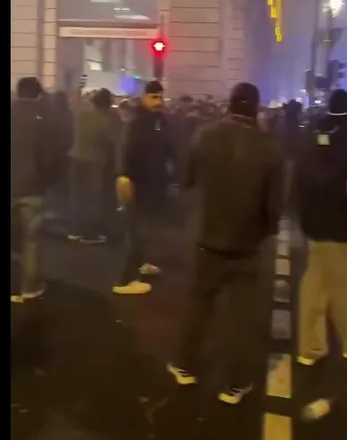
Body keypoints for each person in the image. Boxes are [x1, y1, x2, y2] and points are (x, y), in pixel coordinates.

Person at [169, 82, 284, 405]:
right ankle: (237, 383)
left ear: (230, 104)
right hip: (246, 242)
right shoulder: (270, 147)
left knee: (199, 304)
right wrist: (267, 230)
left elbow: (187, 179)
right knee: (242, 316)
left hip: (208, 236)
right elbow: (274, 205)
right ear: (256, 108)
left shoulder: (204, 135)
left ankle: (184, 364)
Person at [292, 88, 347, 370]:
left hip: (315, 224)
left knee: (315, 285)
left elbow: (298, 178)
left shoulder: (314, 135)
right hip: (344, 223)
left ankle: (310, 347)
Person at [113, 81, 175, 295]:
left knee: (145, 230)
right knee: (137, 232)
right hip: (137, 184)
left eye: (161, 97)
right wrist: (124, 178)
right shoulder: (137, 122)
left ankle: (141, 263)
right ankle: (125, 280)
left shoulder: (157, 120)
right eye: (154, 97)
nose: (158, 102)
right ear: (144, 97)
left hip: (153, 185)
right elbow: (126, 151)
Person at [11, 77, 62, 303]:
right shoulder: (45, 118)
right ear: (38, 94)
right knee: (31, 240)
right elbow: (50, 154)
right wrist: (45, 181)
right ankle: (29, 287)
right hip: (32, 188)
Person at [68, 88, 119, 244]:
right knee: (92, 198)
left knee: (78, 197)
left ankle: (76, 230)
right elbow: (111, 139)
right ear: (105, 104)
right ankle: (89, 234)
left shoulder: (81, 112)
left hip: (76, 157)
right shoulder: (102, 119)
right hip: (94, 161)